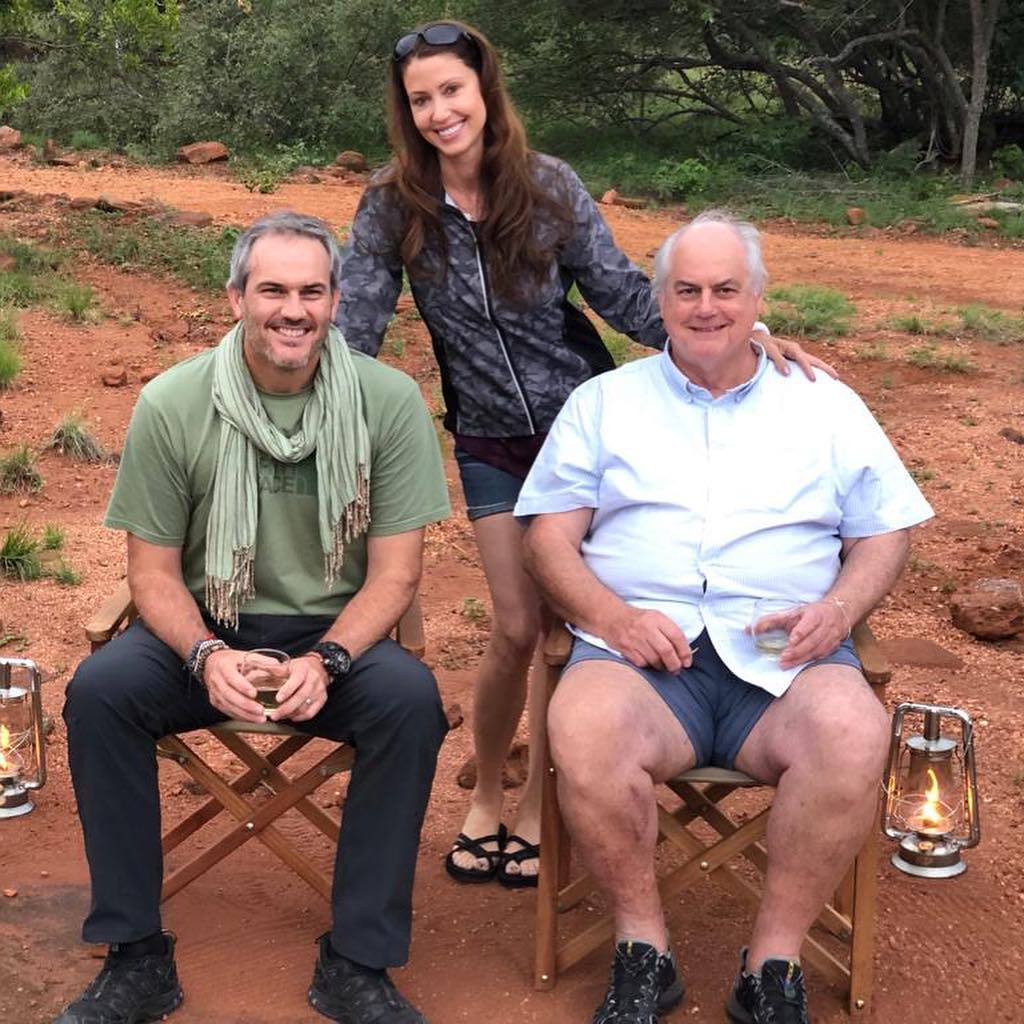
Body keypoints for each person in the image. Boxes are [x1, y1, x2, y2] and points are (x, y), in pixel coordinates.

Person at [338, 19, 829, 888]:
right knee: (516, 624)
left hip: (588, 439)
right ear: (406, 113)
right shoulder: (392, 206)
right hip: (489, 436)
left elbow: (627, 299)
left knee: (568, 624)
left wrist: (744, 332)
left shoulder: (550, 188)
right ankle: (489, 789)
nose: (440, 112)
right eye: (421, 100)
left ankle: (538, 809)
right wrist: (308, 382)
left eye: (453, 90)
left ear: (485, 90)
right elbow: (359, 326)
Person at [515, 210, 934, 1024]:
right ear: (659, 299)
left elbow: (886, 533)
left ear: (757, 298)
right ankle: (645, 950)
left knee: (853, 732)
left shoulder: (825, 404)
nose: (706, 307)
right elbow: (549, 543)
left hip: (785, 661)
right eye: (687, 290)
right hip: (639, 660)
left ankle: (771, 965)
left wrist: (840, 607)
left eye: (725, 290)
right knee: (586, 726)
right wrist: (614, 616)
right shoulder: (604, 403)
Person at [57, 211, 450, 1024]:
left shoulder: (388, 402)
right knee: (100, 691)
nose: (293, 310)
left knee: (410, 703)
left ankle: (357, 959)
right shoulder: (173, 402)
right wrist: (204, 654)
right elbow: (151, 574)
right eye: (272, 289)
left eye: (312, 291)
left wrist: (330, 661)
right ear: (236, 297)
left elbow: (396, 574)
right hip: (205, 628)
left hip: (331, 641)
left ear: (338, 301)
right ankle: (134, 955)